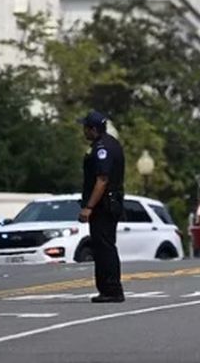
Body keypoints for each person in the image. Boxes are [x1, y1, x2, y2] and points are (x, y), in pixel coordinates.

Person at [77, 110, 126, 303]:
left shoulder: (102, 148)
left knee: (104, 247)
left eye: (85, 127)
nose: (84, 131)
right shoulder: (110, 143)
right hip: (108, 203)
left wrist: (89, 207)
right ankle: (107, 288)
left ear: (93, 129)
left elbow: (102, 179)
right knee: (103, 246)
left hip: (104, 205)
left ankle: (112, 289)